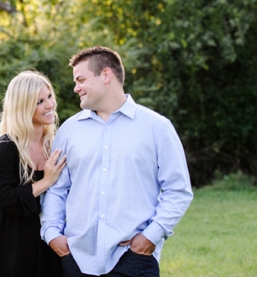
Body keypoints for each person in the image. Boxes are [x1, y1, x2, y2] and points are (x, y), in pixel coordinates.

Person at [40, 46, 193, 277]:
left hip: (135, 257)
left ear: (106, 75)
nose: (75, 88)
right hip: (75, 257)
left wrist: (151, 236)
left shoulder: (156, 127)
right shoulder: (69, 131)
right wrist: (52, 234)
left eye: (81, 79)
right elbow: (57, 189)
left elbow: (178, 190)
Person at [0, 70, 67, 277]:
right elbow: (5, 198)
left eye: (49, 96)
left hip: (51, 234)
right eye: (39, 101)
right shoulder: (7, 146)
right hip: (16, 239)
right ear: (23, 106)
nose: (49, 105)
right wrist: (46, 181)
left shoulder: (55, 144)